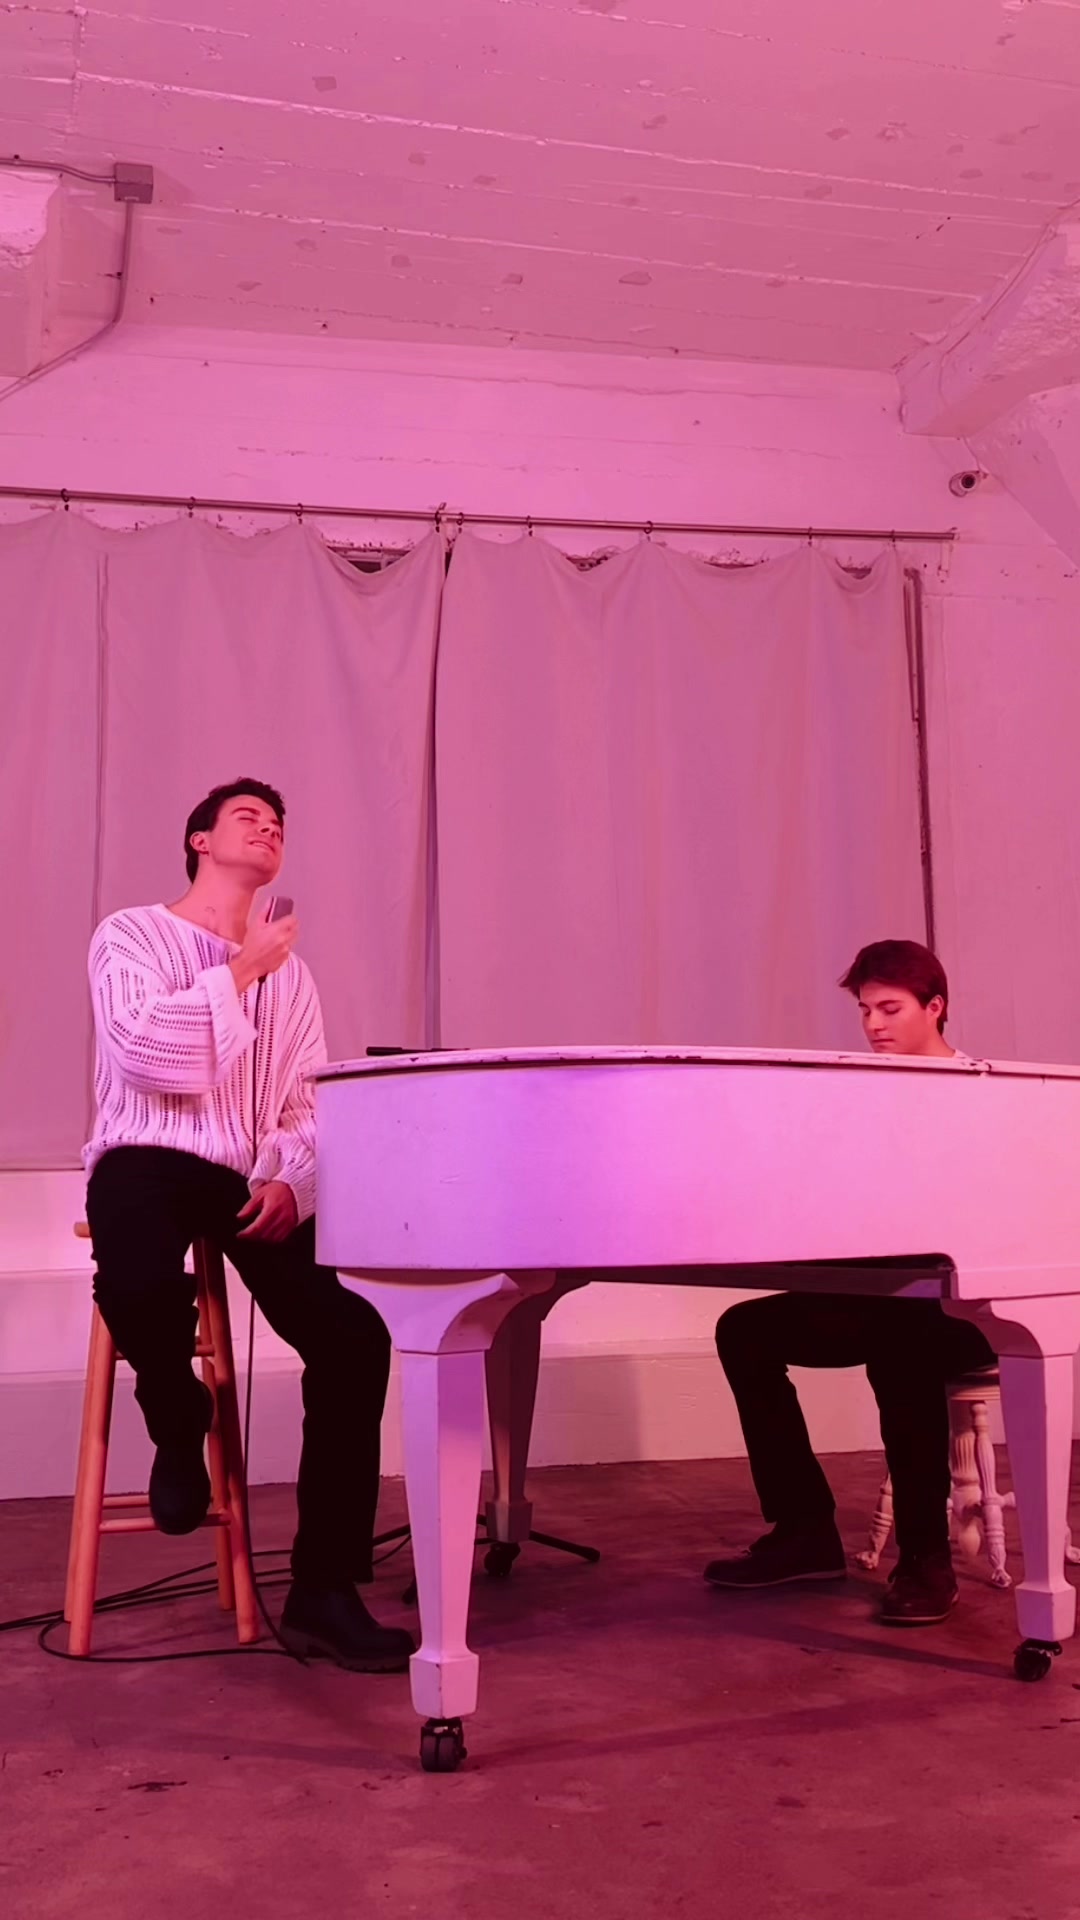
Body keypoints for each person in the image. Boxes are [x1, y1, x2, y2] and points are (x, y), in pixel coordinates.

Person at [84, 777, 415, 1672]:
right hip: (147, 1151)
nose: (267, 828)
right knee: (137, 1278)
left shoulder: (292, 976)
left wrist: (292, 1180)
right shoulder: (131, 934)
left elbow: (304, 1102)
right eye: (246, 818)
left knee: (353, 1337)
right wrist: (240, 971)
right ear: (199, 840)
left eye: (277, 823)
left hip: (244, 1172)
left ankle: (323, 1589)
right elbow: (144, 1055)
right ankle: (175, 1411)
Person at [704, 939, 996, 1626]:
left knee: (903, 1339)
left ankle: (926, 1559)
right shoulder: (862, 1094)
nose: (873, 1025)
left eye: (889, 1009)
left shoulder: (980, 1092)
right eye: (864, 1011)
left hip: (968, 1307)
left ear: (935, 1006)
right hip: (883, 1293)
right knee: (744, 1330)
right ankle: (804, 1531)